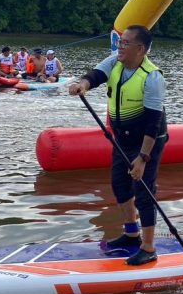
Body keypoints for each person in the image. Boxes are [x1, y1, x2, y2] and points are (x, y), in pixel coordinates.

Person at [68, 25, 168, 266]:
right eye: (120, 42)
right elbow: (95, 75)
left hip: (148, 140)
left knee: (144, 191)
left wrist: (143, 158)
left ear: (140, 49)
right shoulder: (115, 62)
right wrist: (83, 84)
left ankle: (148, 247)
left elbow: (153, 124)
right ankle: (131, 235)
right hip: (122, 137)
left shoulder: (153, 77)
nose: (119, 47)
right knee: (120, 185)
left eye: (125, 43)